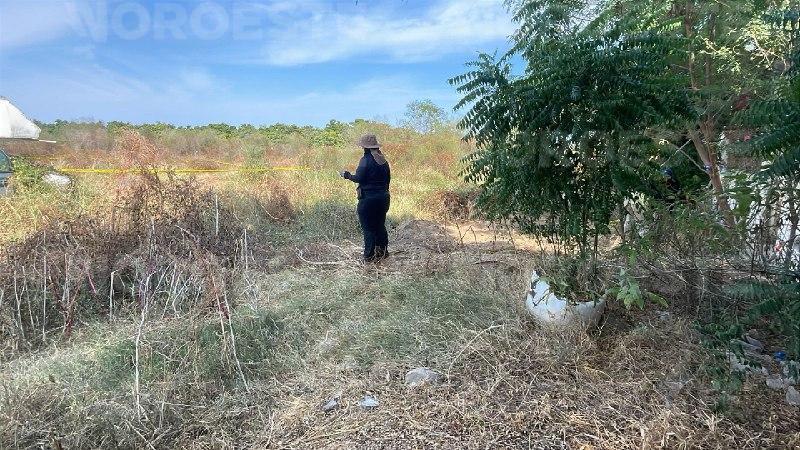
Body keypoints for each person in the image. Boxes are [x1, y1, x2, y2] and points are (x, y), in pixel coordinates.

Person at [340, 134, 391, 261]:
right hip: (384, 198)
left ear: (365, 148)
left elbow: (359, 178)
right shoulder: (383, 160)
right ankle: (383, 252)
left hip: (368, 199)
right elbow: (388, 180)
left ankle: (369, 256)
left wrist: (346, 175)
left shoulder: (365, 160)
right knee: (380, 225)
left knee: (368, 228)